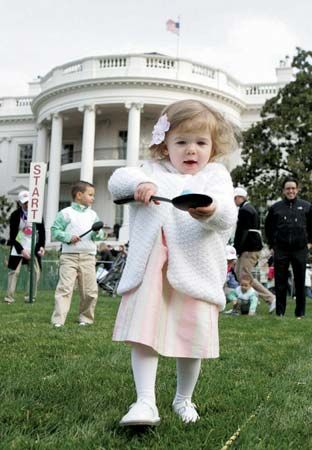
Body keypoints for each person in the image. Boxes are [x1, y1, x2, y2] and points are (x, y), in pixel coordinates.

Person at [108, 99, 238, 426]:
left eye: (200, 142)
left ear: (213, 147)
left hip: (195, 271)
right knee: (144, 331)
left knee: (191, 337)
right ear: (165, 145)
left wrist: (211, 211)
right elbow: (118, 181)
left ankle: (184, 399)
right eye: (181, 142)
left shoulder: (215, 176)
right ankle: (145, 401)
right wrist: (139, 185)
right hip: (152, 268)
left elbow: (226, 214)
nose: (191, 150)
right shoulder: (150, 171)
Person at [51, 181, 105, 327]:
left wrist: (97, 232)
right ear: (79, 195)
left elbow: (100, 235)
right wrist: (69, 237)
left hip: (88, 257)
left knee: (90, 291)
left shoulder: (93, 215)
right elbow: (55, 231)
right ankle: (58, 320)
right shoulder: (65, 213)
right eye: (90, 195)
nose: (93, 198)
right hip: (69, 257)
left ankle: (86, 318)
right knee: (65, 288)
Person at [265, 178, 312, 318]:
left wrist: (309, 243)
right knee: (280, 282)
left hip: (300, 249)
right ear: (283, 191)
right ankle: (280, 313)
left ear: (297, 190)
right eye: (288, 188)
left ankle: (300, 313)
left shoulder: (307, 206)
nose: (290, 191)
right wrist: (272, 246)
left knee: (299, 281)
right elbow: (268, 228)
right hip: (281, 250)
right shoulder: (275, 208)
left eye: (293, 188)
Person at [233, 187, 276, 313]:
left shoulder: (245, 210)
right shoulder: (249, 208)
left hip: (249, 247)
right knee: (238, 272)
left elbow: (242, 232)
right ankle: (242, 304)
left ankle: (270, 298)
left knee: (245, 275)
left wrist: (237, 248)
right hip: (250, 246)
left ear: (239, 197)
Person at [4, 190, 45, 304]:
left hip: (34, 245)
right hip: (19, 244)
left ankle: (30, 297)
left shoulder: (37, 215)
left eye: (29, 202)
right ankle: (9, 298)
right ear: (20, 203)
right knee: (14, 272)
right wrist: (21, 250)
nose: (27, 205)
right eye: (25, 202)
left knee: (35, 272)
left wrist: (41, 246)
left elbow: (42, 232)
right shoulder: (15, 215)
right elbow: (12, 236)